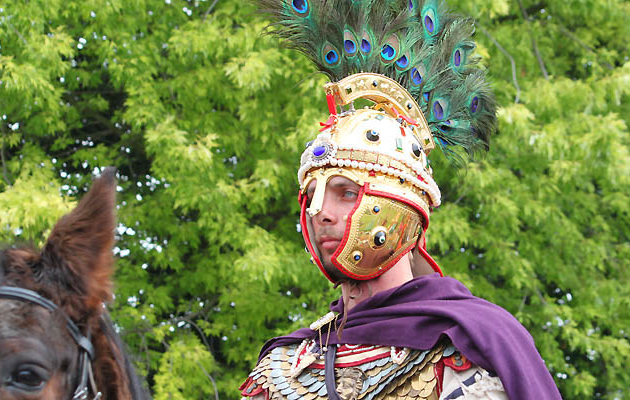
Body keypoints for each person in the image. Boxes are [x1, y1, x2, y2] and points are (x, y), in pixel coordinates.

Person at [240, 1, 562, 398]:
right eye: (312, 195)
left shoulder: (472, 347)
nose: (320, 210)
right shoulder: (281, 370)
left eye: (346, 192)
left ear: (399, 206)